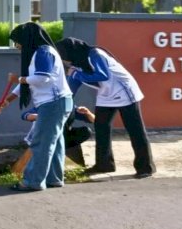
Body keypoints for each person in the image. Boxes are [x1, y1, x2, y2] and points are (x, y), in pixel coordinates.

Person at [56, 37, 156, 179]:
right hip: (106, 94)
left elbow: (103, 75)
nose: (64, 60)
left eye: (64, 56)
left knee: (135, 129)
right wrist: (63, 104)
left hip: (124, 90)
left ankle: (146, 167)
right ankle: (104, 164)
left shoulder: (95, 54)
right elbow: (70, 90)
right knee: (101, 127)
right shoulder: (75, 65)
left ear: (71, 51)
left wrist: (77, 74)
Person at [0, 22, 74, 191]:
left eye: (17, 42)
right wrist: (8, 99)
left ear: (27, 39)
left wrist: (18, 79)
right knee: (53, 142)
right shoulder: (38, 53)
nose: (17, 46)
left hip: (53, 104)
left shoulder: (43, 52)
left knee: (41, 142)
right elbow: (30, 81)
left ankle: (32, 181)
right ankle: (54, 179)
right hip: (57, 103)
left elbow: (42, 78)